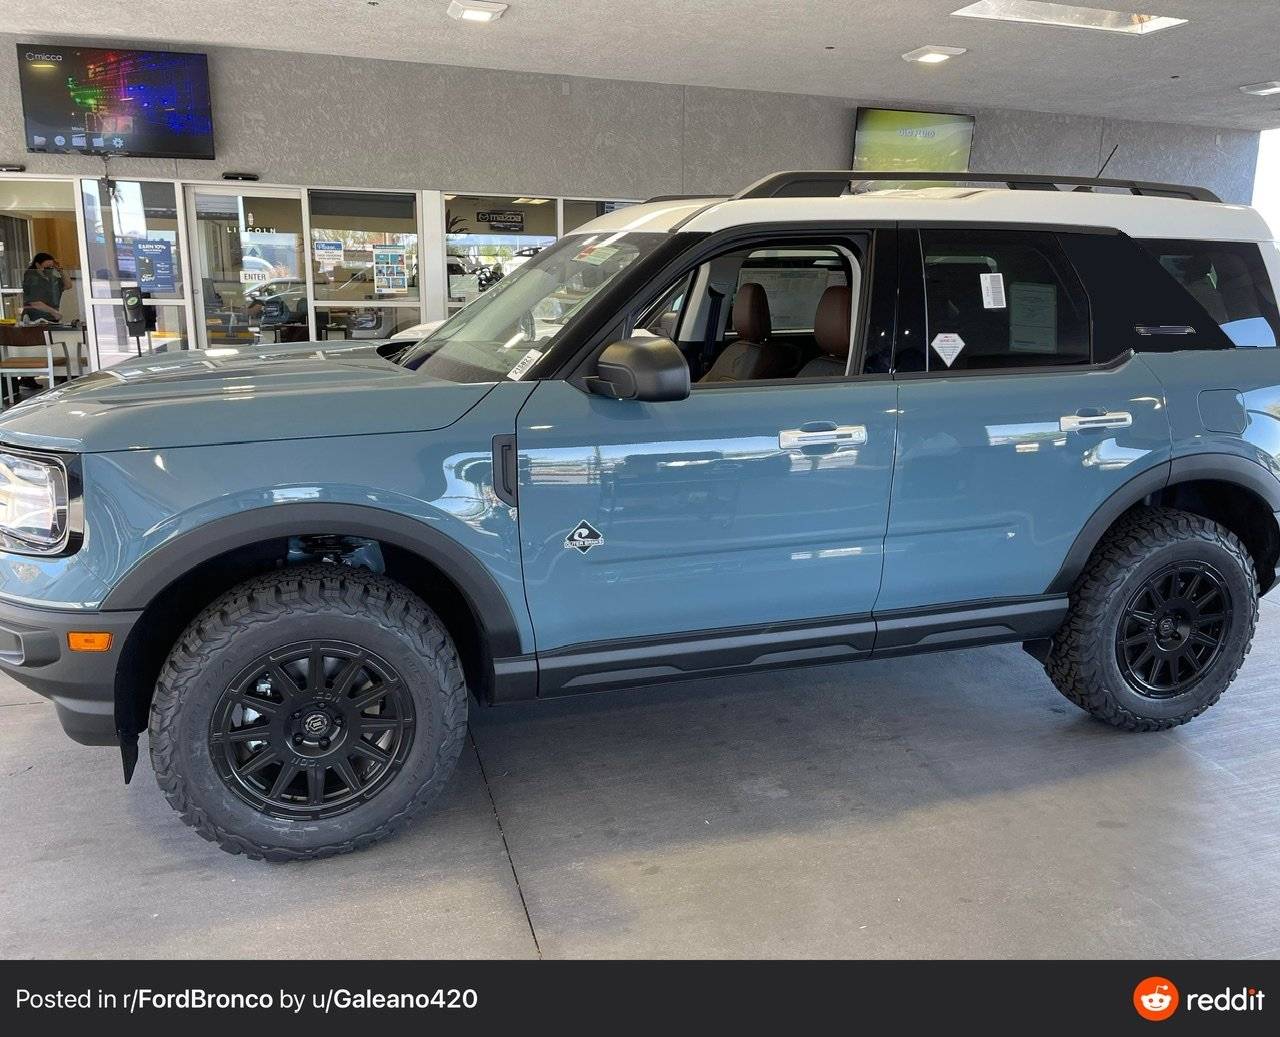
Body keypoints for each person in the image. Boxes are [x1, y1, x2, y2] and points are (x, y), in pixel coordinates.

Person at [21, 252, 70, 323]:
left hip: (50, 318)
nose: (49, 270)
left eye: (51, 267)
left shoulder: (51, 278)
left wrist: (60, 269)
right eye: (47, 267)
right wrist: (54, 312)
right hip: (35, 319)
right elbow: (34, 302)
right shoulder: (32, 278)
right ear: (38, 265)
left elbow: (68, 285)